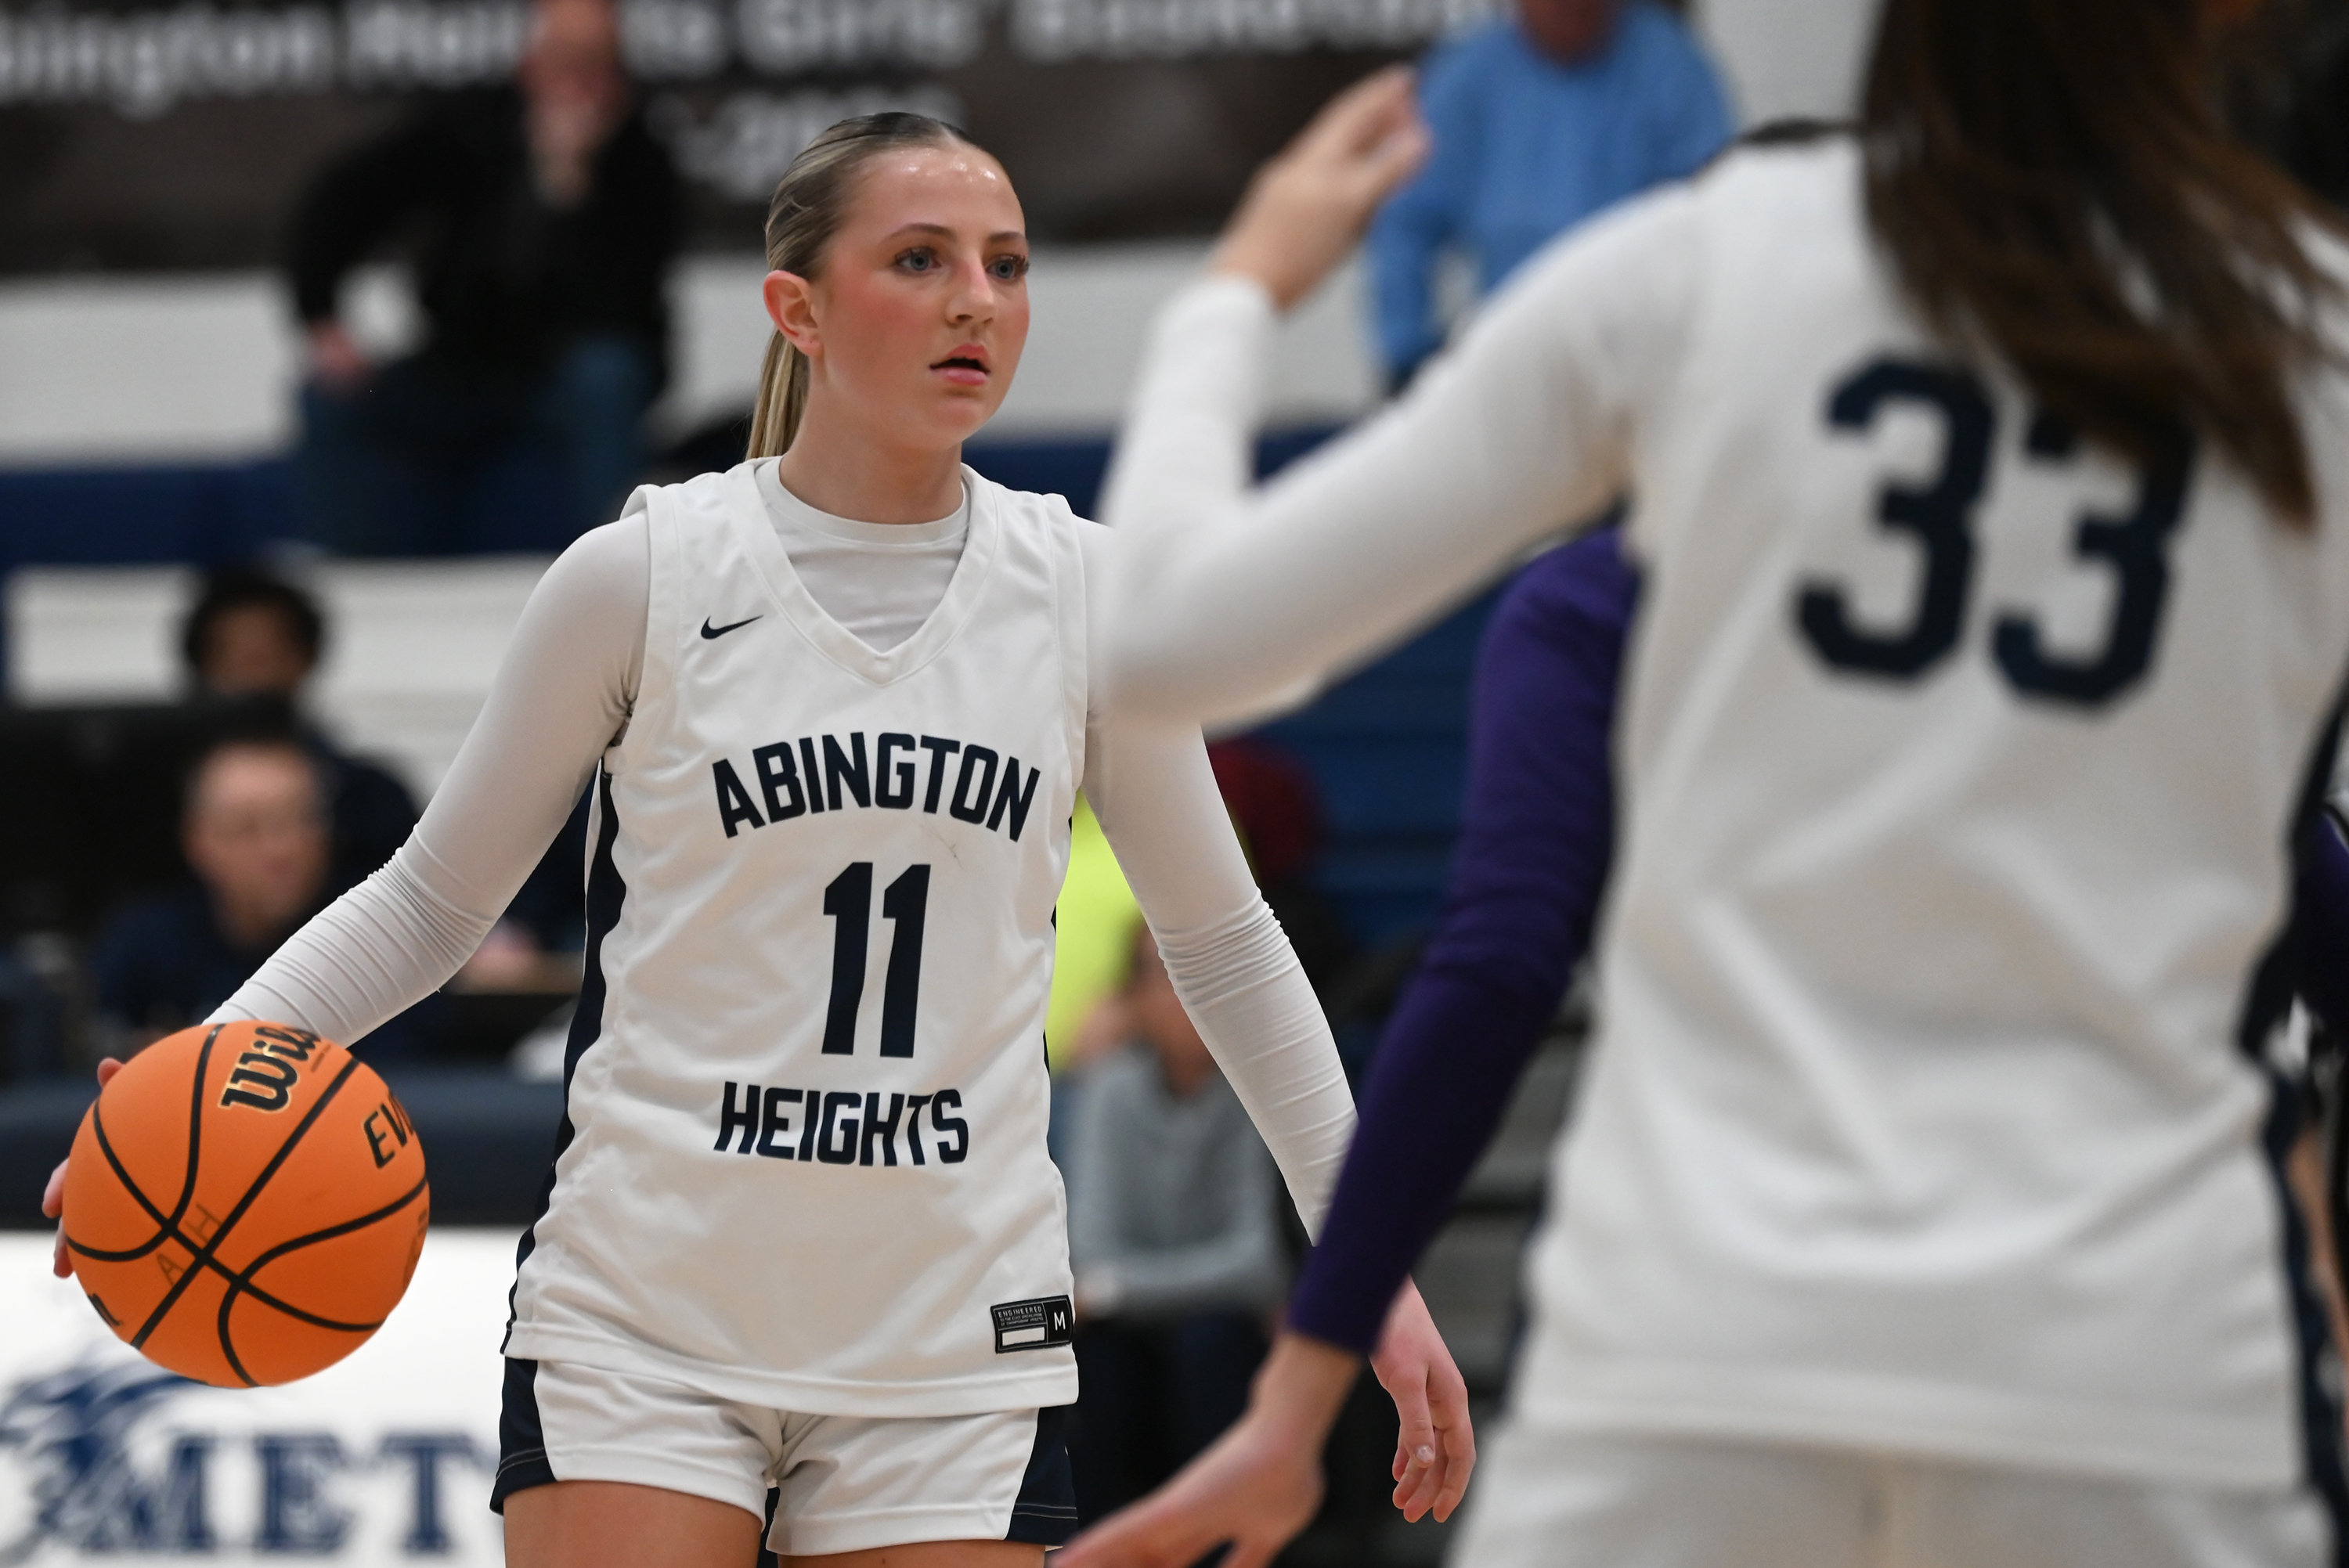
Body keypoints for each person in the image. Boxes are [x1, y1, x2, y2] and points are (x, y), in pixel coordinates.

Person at [51, 113, 1467, 1568]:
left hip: (952, 1330)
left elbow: (1223, 944)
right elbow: (427, 905)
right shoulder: (642, 574)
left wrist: (1366, 1267)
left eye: (1008, 263)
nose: (977, 297)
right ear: (798, 306)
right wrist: (186, 1081)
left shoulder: (1086, 588)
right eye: (919, 259)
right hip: (648, 1319)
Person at [1066, 0, 2349, 1558]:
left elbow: (1172, 642)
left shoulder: (1710, 266)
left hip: (1704, 1340)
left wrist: (1241, 287)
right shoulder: (2303, 325)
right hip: (2140, 1364)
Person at [286, 0, 680, 556]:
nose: (578, 84)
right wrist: (321, 317)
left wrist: (567, 190)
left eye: (595, 65)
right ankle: (354, 582)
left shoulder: (644, 160)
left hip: (561, 385)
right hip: (458, 372)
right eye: (563, 62)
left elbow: (621, 307)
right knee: (326, 396)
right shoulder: (468, 130)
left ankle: (613, 574)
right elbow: (339, 201)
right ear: (529, 65)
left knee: (608, 374)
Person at [1367, 0, 1731, 389]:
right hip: (1507, 364)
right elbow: (1405, 223)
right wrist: (1408, 360)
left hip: (1646, 367)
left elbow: (1718, 217)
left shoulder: (1673, 69)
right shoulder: (1467, 75)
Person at [1067, 925, 1288, 1525]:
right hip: (1130, 1328)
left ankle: (1222, 1542)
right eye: (1163, 977)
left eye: (1200, 977)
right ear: (1133, 998)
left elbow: (1256, 1262)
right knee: (1092, 1367)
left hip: (1214, 1323)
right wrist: (1115, 1289)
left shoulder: (1255, 1091)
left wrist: (1118, 1288)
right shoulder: (1108, 1089)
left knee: (1210, 1345)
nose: (1183, 996)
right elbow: (1089, 1247)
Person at [88, 735, 432, 1060]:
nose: (279, 849)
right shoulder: (144, 946)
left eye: (300, 820)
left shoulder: (378, 946)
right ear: (198, 840)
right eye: (246, 827)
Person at [179, 569, 420, 898]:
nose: (253, 676)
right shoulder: (161, 792)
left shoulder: (371, 796)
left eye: (267, 655)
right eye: (232, 656)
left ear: (305, 658)